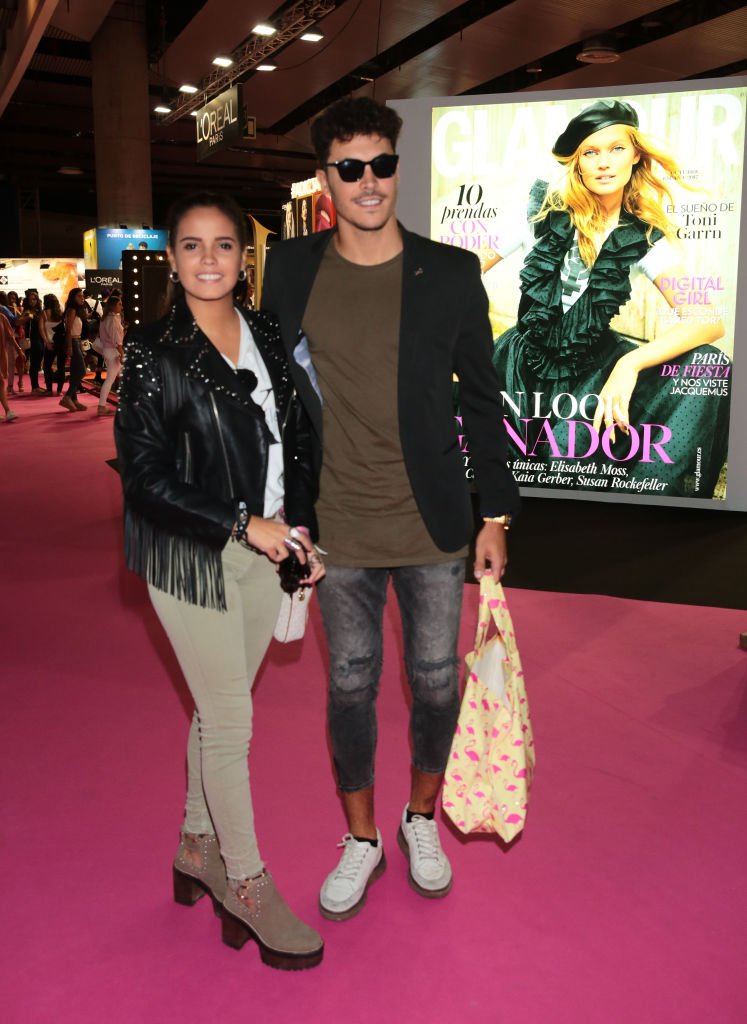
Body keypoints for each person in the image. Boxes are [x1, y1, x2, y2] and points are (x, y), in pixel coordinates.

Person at [262, 97, 520, 921]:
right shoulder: (294, 269)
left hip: (431, 521)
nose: (368, 183)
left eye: (381, 165)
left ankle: (419, 820)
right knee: (348, 683)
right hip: (335, 524)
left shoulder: (447, 271)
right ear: (325, 178)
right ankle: (361, 837)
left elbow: (483, 400)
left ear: (397, 169)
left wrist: (495, 515)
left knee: (436, 684)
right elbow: (269, 394)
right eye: (350, 168)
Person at [114, 192, 325, 970]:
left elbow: (300, 440)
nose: (209, 259)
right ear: (172, 259)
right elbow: (143, 477)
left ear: (245, 257)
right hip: (190, 554)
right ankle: (244, 881)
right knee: (231, 719)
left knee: (215, 707)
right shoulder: (153, 351)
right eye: (193, 246)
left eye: (224, 245)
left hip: (270, 548)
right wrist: (245, 524)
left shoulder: (269, 332)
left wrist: (299, 529)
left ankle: (195, 846)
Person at [491, 99, 728, 498]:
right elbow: (465, 263)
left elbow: (709, 319)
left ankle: (649, 511)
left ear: (635, 154)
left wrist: (630, 364)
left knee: (710, 364)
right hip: (522, 366)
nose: (604, 163)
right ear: (578, 162)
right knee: (556, 464)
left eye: (616, 148)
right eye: (591, 152)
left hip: (593, 368)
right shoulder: (540, 211)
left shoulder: (645, 236)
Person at [57, 288, 88, 412]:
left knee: (75, 372)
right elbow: (68, 330)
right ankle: (68, 396)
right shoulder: (72, 310)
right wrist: (69, 346)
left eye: (82, 296)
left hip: (76, 341)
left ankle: (74, 400)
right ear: (73, 297)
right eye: (79, 296)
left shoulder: (77, 311)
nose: (82, 298)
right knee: (81, 371)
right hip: (72, 342)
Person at [95, 294, 125, 415]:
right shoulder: (112, 319)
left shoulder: (107, 318)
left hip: (109, 351)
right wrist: (122, 354)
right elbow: (116, 340)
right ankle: (101, 406)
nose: (121, 307)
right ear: (113, 306)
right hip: (113, 352)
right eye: (119, 304)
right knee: (110, 379)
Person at [19, 291, 46, 395]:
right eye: (30, 299)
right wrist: (27, 317)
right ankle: (34, 387)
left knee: (38, 364)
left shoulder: (39, 310)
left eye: (34, 299)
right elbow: (18, 322)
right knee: (34, 364)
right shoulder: (27, 311)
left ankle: (36, 386)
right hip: (33, 340)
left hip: (41, 338)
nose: (32, 301)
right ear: (27, 300)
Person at [0, 309, 22, 421]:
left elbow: (10, 336)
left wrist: (19, 350)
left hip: (1, 355)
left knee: (0, 382)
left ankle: (7, 411)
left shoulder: (2, 317)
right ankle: (7, 410)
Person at [41, 293, 63, 394]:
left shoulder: (45, 313)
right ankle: (59, 390)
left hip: (50, 343)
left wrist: (46, 342)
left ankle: (49, 389)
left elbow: (41, 329)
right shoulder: (61, 312)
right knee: (61, 366)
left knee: (47, 366)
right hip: (61, 343)